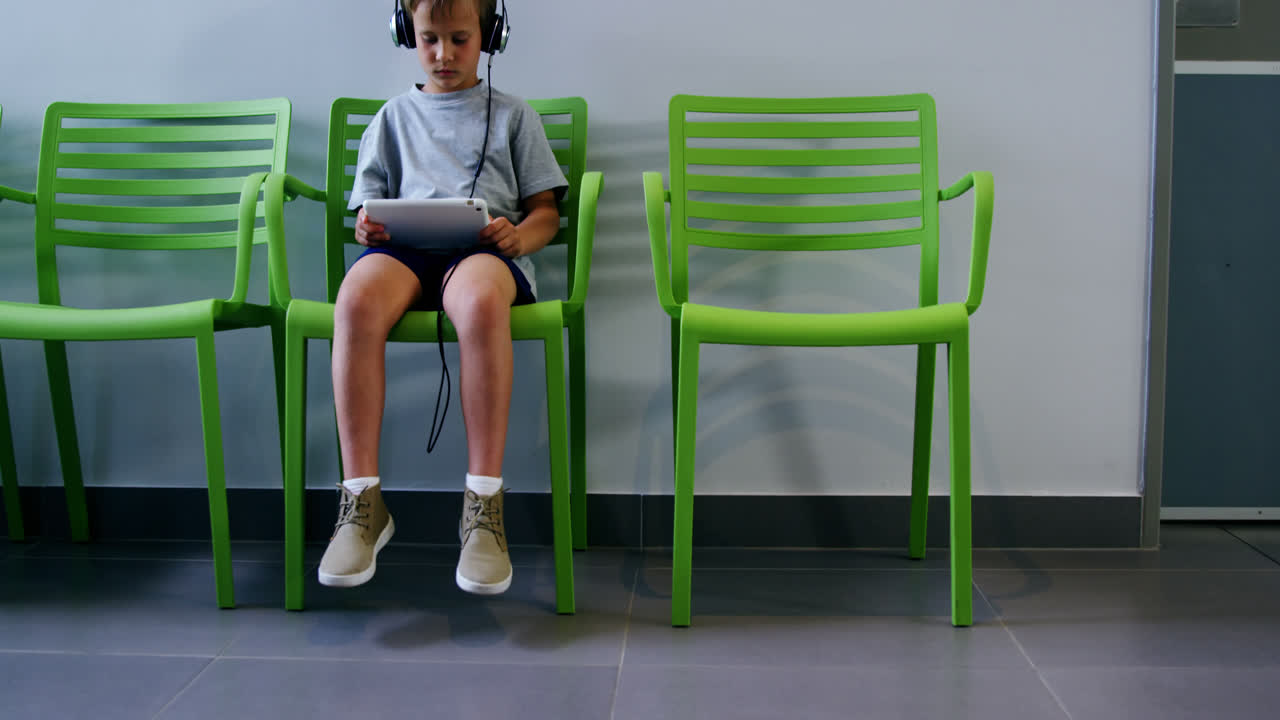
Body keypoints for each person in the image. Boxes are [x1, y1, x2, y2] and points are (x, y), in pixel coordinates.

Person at [316, 0, 566, 596]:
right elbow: (366, 211)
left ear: (490, 36)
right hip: (404, 254)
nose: (443, 53)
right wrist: (367, 228)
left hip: (482, 256)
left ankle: (483, 506)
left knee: (479, 303)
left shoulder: (514, 116)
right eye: (429, 38)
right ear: (407, 33)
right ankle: (361, 502)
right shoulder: (392, 118)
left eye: (459, 38)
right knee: (355, 300)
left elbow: (546, 213)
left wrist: (519, 236)